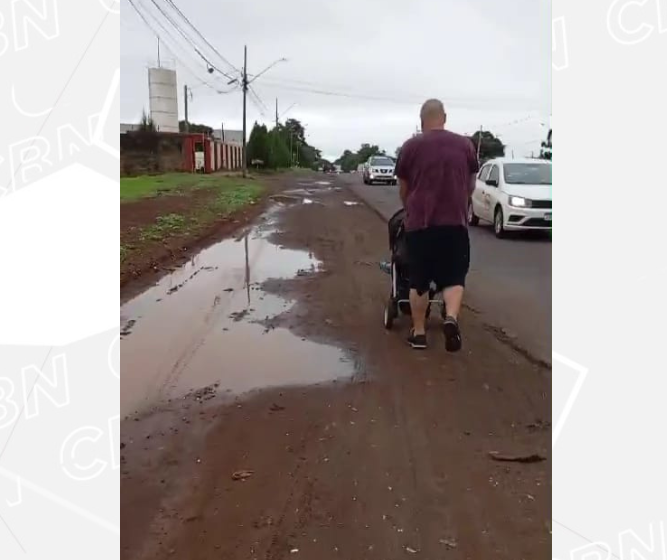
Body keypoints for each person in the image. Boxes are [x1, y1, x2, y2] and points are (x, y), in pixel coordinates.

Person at [394, 99, 479, 351]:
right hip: (455, 223)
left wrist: (410, 207)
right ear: (444, 117)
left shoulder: (411, 146)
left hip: (421, 224)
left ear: (421, 121)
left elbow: (404, 188)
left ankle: (419, 333)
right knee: (454, 277)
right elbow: (471, 184)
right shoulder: (465, 145)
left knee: (419, 280)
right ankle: (450, 318)